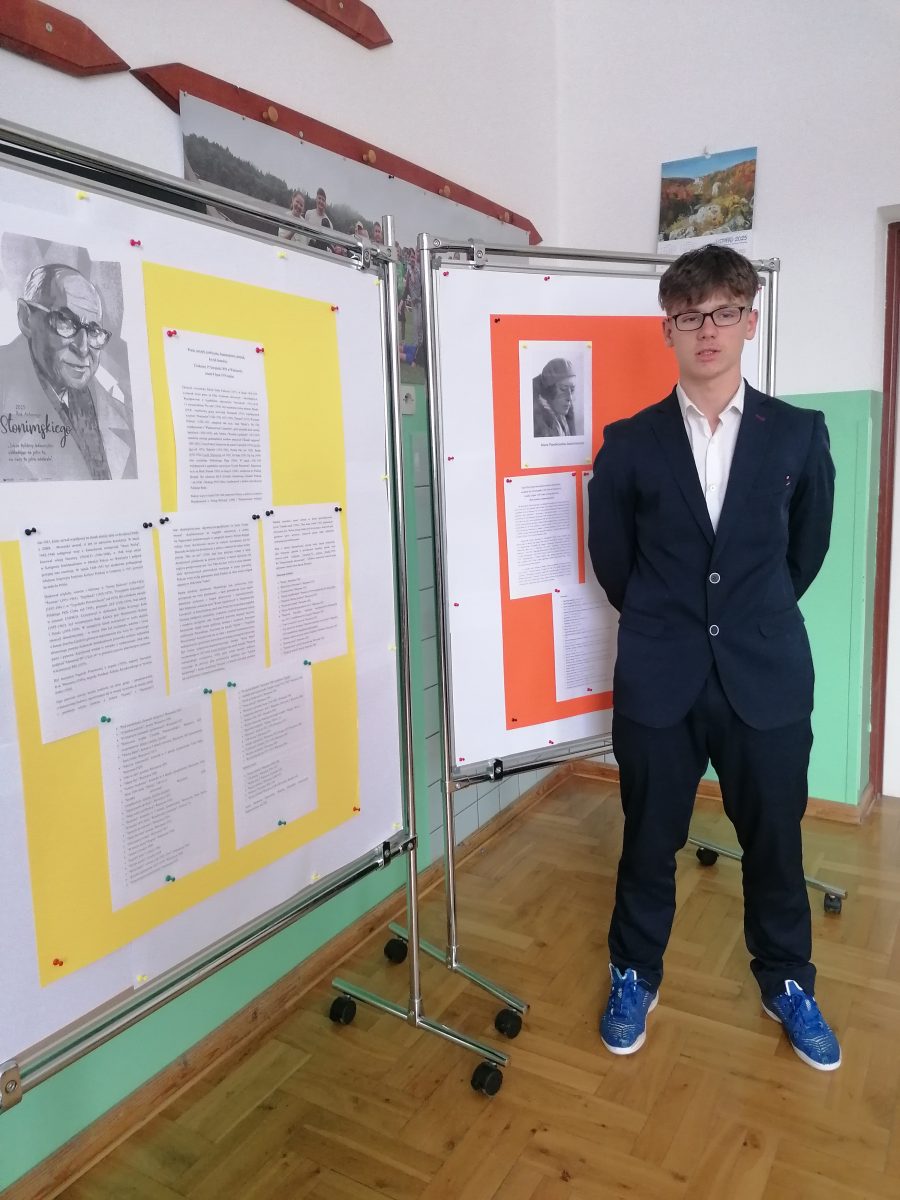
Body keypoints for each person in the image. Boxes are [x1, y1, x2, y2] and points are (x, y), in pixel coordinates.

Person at [587, 244, 840, 1071]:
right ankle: (634, 973)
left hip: (765, 678)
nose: (707, 329)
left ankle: (787, 980)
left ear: (749, 322)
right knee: (647, 838)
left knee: (775, 844)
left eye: (724, 312)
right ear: (667, 329)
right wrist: (668, 622)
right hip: (659, 676)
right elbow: (613, 561)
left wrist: (747, 617)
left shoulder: (797, 435)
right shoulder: (629, 444)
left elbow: (804, 553)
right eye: (689, 315)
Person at [0, 263, 136, 481]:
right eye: (65, 322)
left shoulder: (123, 416)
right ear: (26, 319)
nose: (83, 348)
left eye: (94, 331)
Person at [533, 357, 578, 437]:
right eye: (563, 389)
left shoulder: (562, 417)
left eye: (572, 390)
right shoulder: (536, 424)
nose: (570, 398)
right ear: (549, 390)